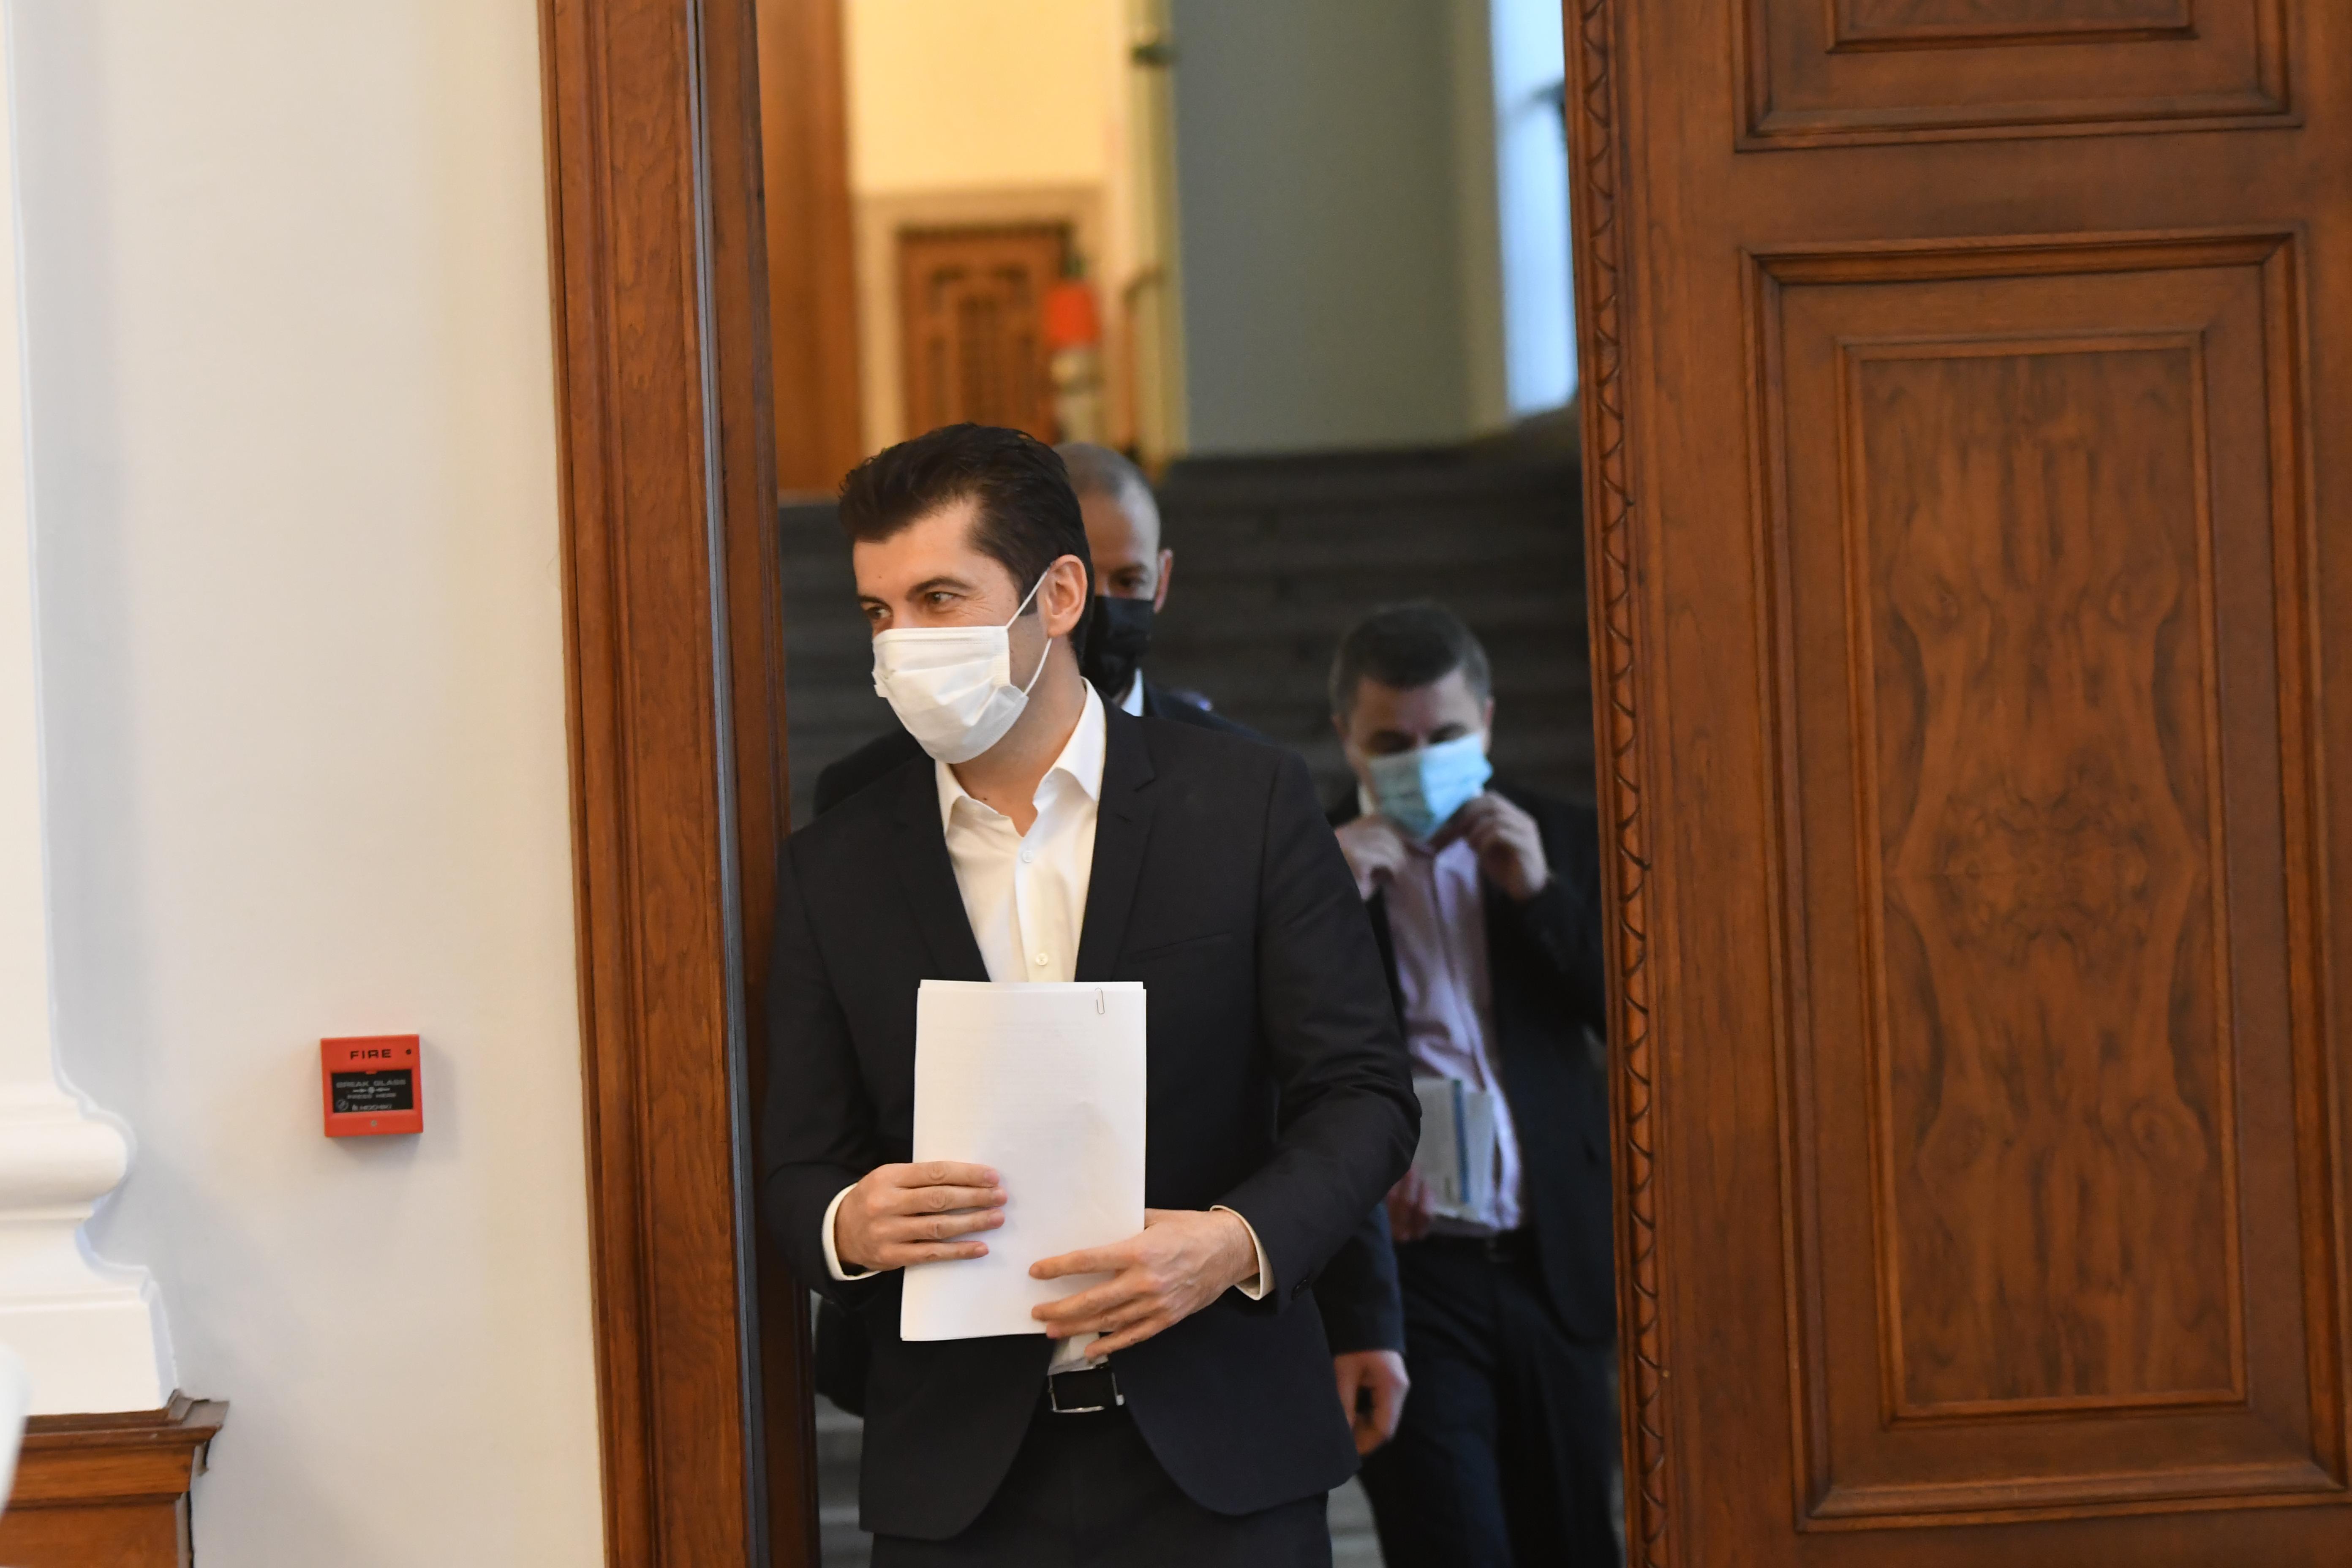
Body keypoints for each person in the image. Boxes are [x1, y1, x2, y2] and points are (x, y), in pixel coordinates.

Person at [762, 424, 1418, 1566]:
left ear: (1058, 596)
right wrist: (847, 1225)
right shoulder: (836, 866)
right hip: (959, 1485)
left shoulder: (1248, 804)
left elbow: (1362, 1093)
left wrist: (1232, 1244)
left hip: (1223, 1459)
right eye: (878, 611)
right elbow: (797, 1162)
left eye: (939, 598)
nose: (902, 644)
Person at [1323, 602, 1617, 1567]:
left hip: (1547, 1258)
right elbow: (1253, 1056)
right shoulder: (1301, 863)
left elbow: (1637, 1021)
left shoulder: (1562, 838)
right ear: (1346, 737)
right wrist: (1324, 905)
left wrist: (1540, 897)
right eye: (1391, 743)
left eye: (1443, 736)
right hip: (1408, 1278)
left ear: (1485, 724)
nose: (1421, 759)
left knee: (1574, 1540)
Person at [812, 441, 1245, 816]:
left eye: (1129, 581)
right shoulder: (861, 793)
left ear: (1162, 579)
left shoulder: (1240, 779)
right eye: (878, 610)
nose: (1100, 607)